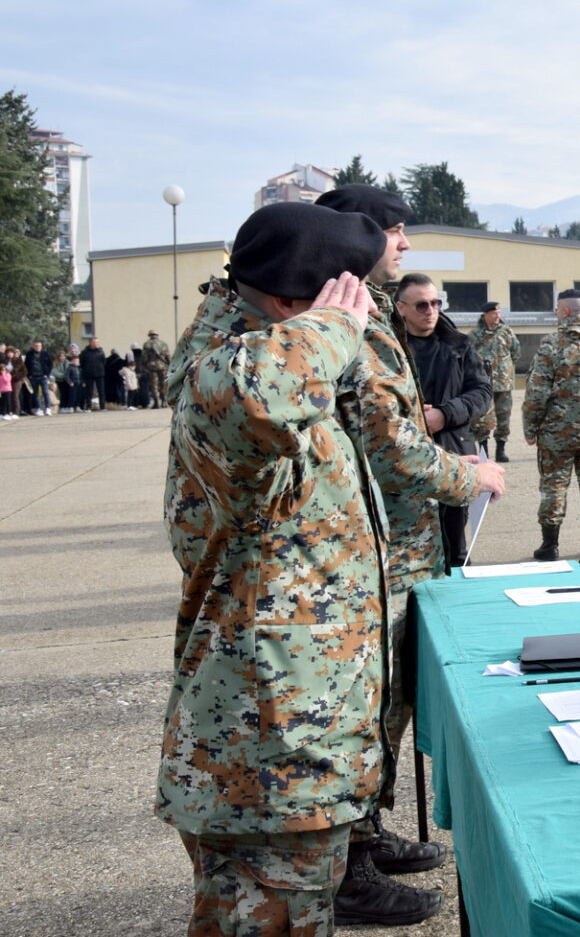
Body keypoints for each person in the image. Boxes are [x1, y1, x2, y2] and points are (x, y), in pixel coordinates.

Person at [160, 202, 391, 937]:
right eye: (353, 298)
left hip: (294, 736)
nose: (365, 315)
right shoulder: (234, 369)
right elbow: (254, 393)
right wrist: (333, 328)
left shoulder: (268, 353)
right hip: (267, 750)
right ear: (295, 306)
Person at [317, 182, 503, 922]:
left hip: (400, 544)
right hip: (372, 551)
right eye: (394, 231)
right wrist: (470, 475)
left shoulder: (364, 313)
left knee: (388, 703)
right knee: (361, 709)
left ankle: (364, 835)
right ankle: (347, 868)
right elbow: (390, 447)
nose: (403, 244)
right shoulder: (342, 318)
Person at [395, 272, 492, 568]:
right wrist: (415, 417)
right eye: (421, 305)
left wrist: (444, 414)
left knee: (455, 547)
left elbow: (482, 392)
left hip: (453, 450)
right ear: (401, 308)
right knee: (406, 548)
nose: (430, 311)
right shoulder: (387, 348)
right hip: (404, 455)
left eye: (436, 303)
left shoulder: (458, 345)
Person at [522, 288, 580, 563]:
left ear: (565, 311)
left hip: (556, 434)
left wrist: (530, 427)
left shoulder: (552, 344)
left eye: (557, 310)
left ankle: (550, 546)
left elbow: (537, 391)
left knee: (554, 486)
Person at [469, 301, 521, 463]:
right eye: (493, 313)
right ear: (485, 315)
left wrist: (505, 369)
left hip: (503, 383)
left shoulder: (506, 332)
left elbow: (516, 352)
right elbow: (468, 357)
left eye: (498, 313)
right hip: (483, 383)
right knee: (481, 419)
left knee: (503, 417)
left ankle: (501, 450)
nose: (497, 316)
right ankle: (483, 451)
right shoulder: (475, 335)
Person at [140, 329, 171, 408]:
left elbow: (144, 357)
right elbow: (168, 356)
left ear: (149, 335)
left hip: (152, 367)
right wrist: (170, 365)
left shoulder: (147, 344)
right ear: (157, 335)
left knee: (154, 385)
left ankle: (156, 402)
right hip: (163, 367)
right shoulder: (163, 344)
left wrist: (144, 365)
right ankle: (164, 401)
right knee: (163, 384)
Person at [24, 340, 53, 416]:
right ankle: (38, 408)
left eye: (39, 346)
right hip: (33, 377)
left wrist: (47, 374)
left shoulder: (45, 354)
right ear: (33, 346)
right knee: (35, 394)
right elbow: (26, 365)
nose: (38, 347)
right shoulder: (29, 354)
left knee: (45, 392)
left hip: (43, 376)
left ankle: (48, 408)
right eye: (36, 346)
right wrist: (29, 375)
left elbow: (50, 364)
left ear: (41, 346)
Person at [80, 337, 107, 412]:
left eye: (97, 342)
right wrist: (86, 369)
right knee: (89, 391)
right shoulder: (85, 352)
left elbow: (104, 362)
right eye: (94, 342)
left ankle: (102, 407)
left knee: (101, 391)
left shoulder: (101, 351)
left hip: (99, 373)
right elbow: (82, 363)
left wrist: (101, 368)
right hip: (89, 374)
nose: (96, 344)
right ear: (90, 343)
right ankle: (88, 407)